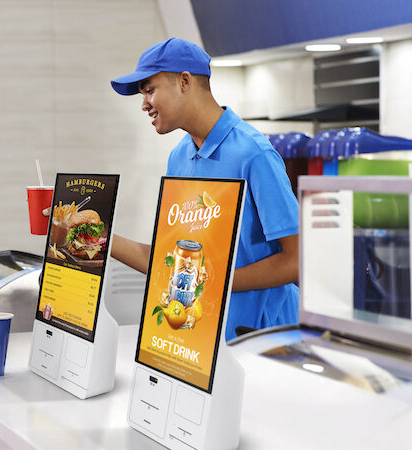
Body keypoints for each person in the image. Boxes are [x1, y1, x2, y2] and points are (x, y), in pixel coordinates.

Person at [109, 38, 299, 341]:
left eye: (149, 90)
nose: (144, 103)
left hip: (260, 337)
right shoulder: (179, 157)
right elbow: (170, 261)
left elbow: (297, 260)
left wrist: (213, 283)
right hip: (200, 336)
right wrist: (99, 235)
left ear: (184, 81)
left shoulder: (254, 154)